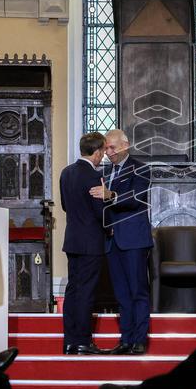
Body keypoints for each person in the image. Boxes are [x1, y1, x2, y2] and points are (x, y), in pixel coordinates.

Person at [90, 129, 154, 355]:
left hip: (133, 240)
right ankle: (126, 339)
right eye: (106, 148)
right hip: (111, 240)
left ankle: (139, 339)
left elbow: (136, 198)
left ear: (125, 145)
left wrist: (110, 196)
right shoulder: (106, 171)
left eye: (112, 148)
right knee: (121, 295)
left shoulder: (141, 168)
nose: (108, 152)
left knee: (138, 291)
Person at [59, 132, 112, 355]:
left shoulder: (66, 173)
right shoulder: (93, 176)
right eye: (103, 152)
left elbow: (64, 205)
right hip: (91, 242)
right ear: (98, 152)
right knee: (86, 292)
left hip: (72, 240)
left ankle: (70, 341)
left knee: (73, 290)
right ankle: (83, 341)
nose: (103, 157)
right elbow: (100, 212)